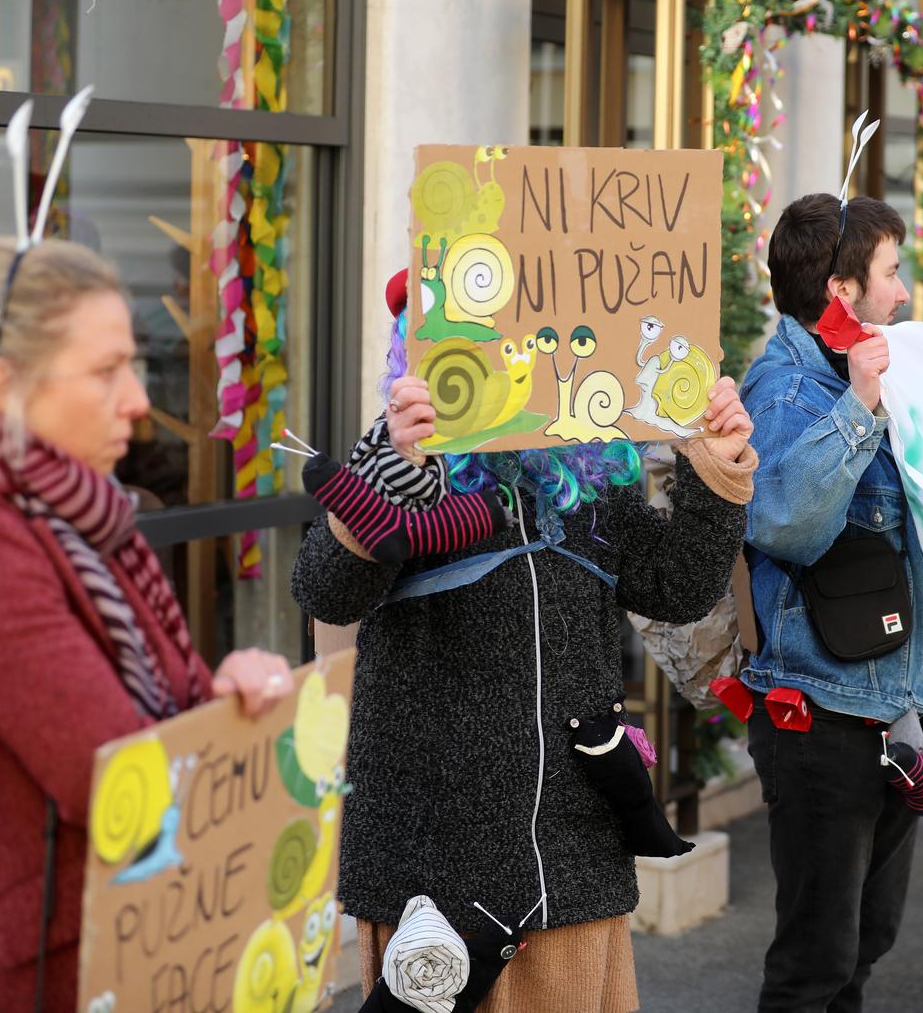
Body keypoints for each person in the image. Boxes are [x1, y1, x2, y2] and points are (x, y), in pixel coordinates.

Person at [291, 273, 757, 1012]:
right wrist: (385, 472)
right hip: (433, 860)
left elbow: (676, 586)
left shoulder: (588, 476)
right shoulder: (406, 464)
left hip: (571, 850)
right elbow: (325, 589)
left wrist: (716, 464)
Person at [0, 225, 294, 1011]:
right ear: (4, 387)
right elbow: (112, 770)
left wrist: (222, 693)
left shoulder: (80, 516)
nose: (139, 401)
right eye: (106, 372)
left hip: (138, 954)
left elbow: (149, 716)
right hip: (46, 977)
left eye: (133, 366)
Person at [739, 192, 923, 1012]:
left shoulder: (868, 366)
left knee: (861, 948)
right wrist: (858, 408)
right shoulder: (788, 391)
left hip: (888, 708)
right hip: (821, 719)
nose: (903, 293)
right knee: (815, 964)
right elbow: (785, 522)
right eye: (890, 273)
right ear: (841, 293)